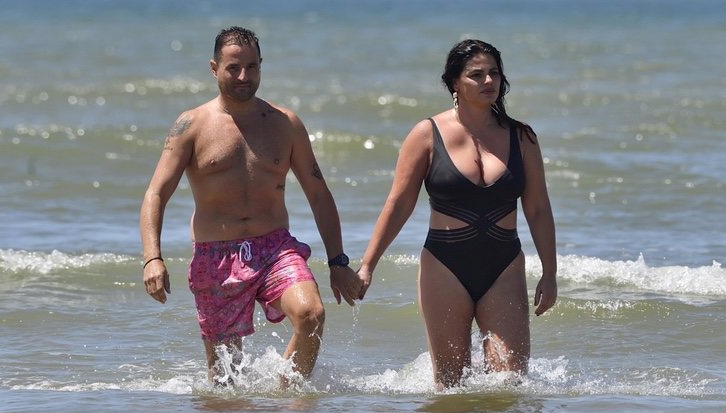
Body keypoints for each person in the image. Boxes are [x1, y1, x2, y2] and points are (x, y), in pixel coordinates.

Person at [139, 26, 362, 386]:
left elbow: (319, 194)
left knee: (311, 314)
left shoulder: (284, 123)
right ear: (214, 68)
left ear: (261, 66)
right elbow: (155, 194)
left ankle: (288, 398)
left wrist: (338, 262)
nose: (244, 76)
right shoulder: (191, 125)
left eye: (252, 67)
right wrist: (153, 257)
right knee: (226, 383)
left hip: (275, 247)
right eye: (233, 68)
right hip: (216, 256)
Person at [357, 39, 557, 388]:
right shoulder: (426, 134)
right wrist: (367, 265)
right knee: (450, 385)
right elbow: (399, 203)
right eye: (476, 75)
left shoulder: (521, 137)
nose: (488, 81)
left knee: (509, 382)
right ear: (454, 83)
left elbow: (538, 208)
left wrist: (550, 272)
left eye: (494, 73)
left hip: (504, 264)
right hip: (445, 264)